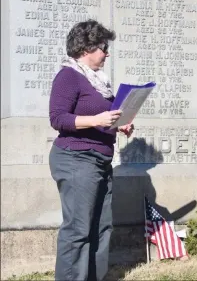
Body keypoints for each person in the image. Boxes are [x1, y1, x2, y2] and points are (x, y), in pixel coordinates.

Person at [48, 19, 134, 281]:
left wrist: (118, 126)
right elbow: (57, 118)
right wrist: (97, 120)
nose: (107, 53)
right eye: (103, 48)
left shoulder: (98, 81)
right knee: (78, 230)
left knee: (101, 228)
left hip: (99, 159)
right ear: (86, 49)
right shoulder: (68, 76)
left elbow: (99, 118)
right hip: (76, 159)